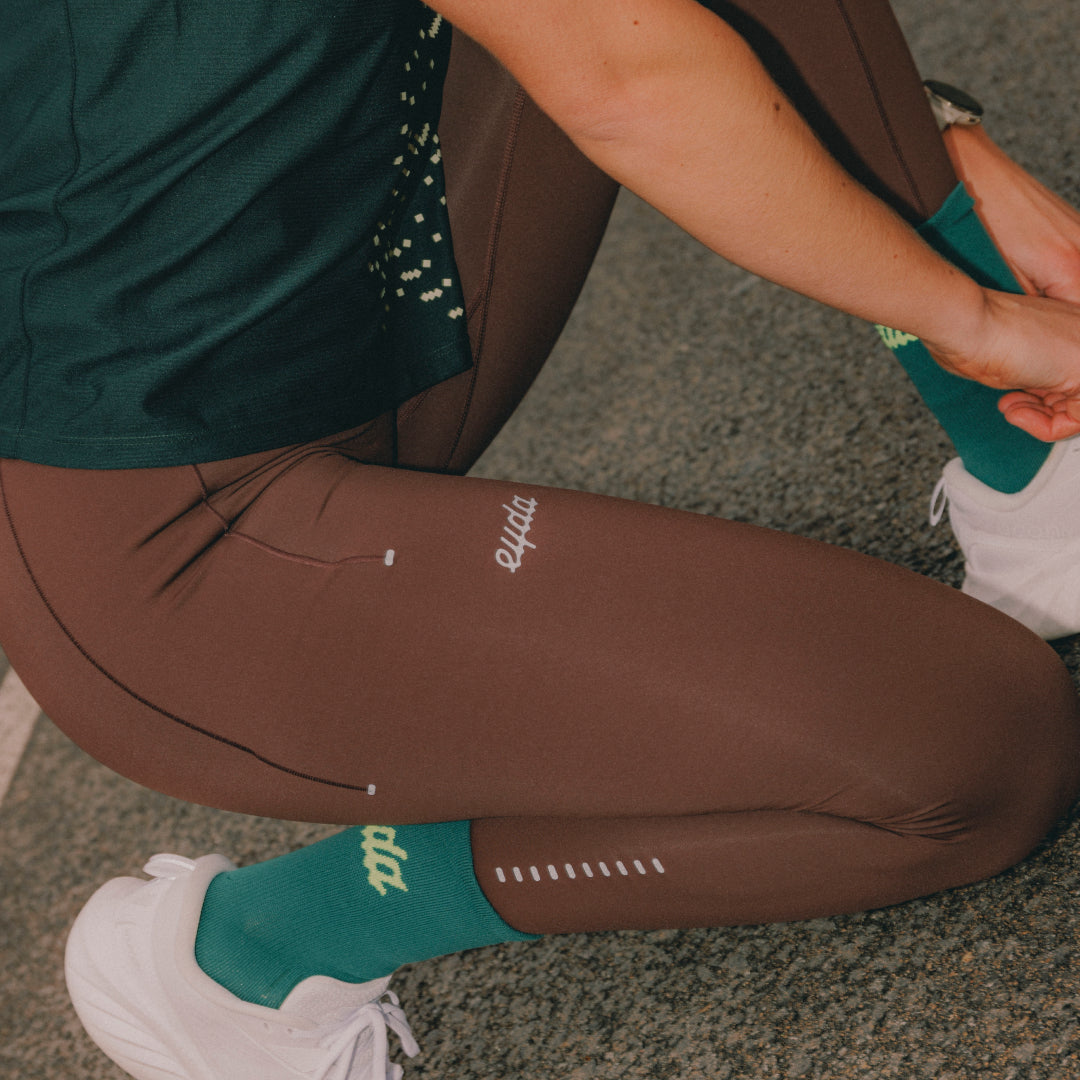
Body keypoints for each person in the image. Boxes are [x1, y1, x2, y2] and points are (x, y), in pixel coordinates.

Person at [2, 1, 1080, 1077]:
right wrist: (971, 314)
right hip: (191, 546)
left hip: (363, 296)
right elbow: (628, 79)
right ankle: (259, 949)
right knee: (980, 747)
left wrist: (941, 158)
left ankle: (1029, 473)